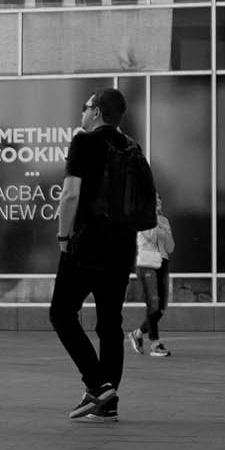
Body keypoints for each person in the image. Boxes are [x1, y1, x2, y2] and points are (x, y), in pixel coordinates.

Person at [52, 88, 146, 421]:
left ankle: (97, 384)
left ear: (96, 113)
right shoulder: (132, 147)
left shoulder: (83, 141)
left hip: (86, 244)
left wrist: (64, 236)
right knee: (109, 324)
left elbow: (69, 196)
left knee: (61, 314)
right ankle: (108, 403)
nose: (82, 112)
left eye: (85, 107)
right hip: (121, 248)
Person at [126, 196, 174, 358]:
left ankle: (137, 334)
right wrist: (157, 222)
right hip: (147, 263)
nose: (159, 201)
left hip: (163, 262)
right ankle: (155, 344)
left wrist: (163, 227)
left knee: (161, 307)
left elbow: (170, 246)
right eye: (155, 200)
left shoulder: (164, 220)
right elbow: (151, 237)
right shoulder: (143, 219)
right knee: (153, 305)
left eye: (160, 199)